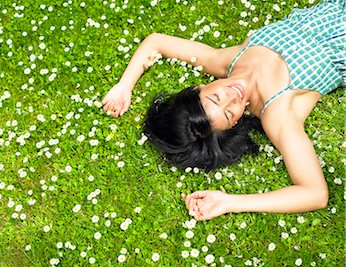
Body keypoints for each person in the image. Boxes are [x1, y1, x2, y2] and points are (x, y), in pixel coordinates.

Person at [101, 0, 345, 220]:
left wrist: (125, 85)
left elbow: (157, 41)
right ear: (237, 123)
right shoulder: (278, 114)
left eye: (216, 97)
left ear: (199, 87)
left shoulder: (225, 60)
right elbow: (315, 193)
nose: (233, 97)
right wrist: (231, 202)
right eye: (230, 114)